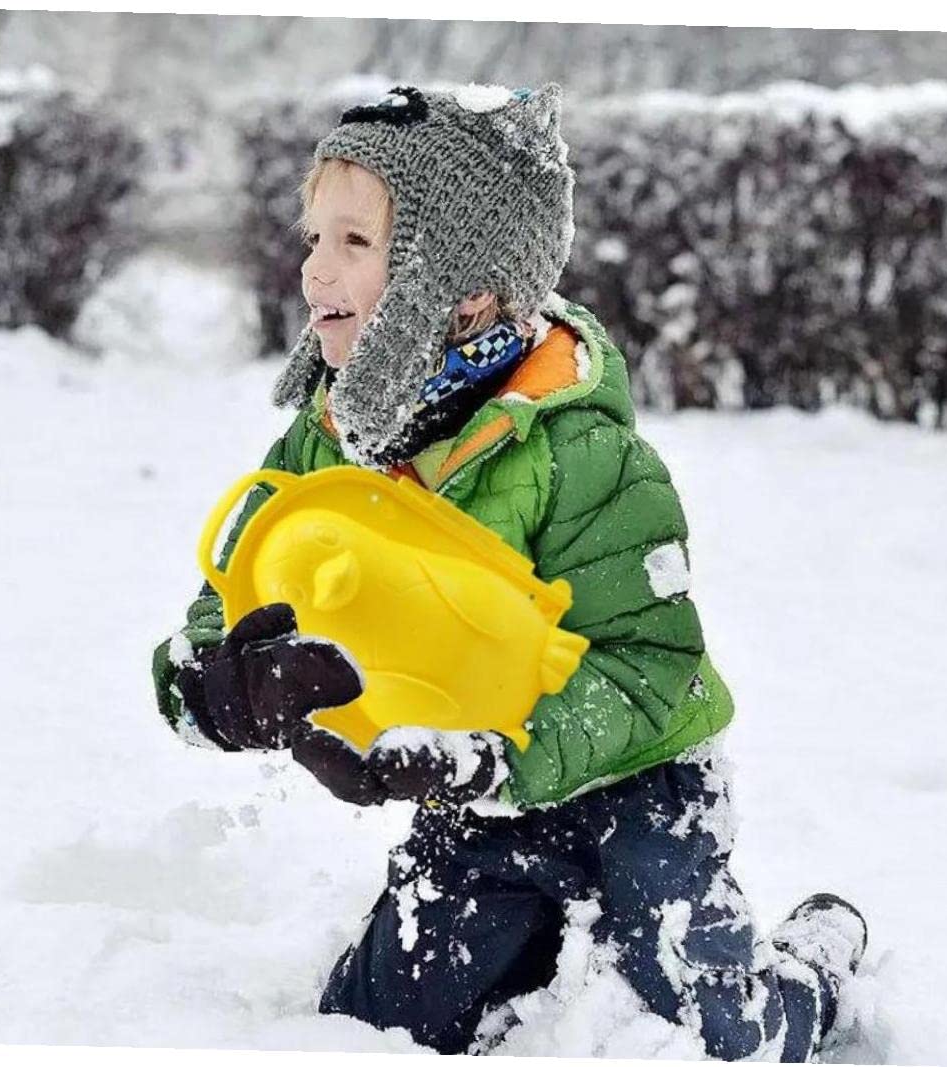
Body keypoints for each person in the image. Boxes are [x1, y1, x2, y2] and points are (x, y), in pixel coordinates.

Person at [151, 82, 867, 1060]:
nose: (314, 267)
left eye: (355, 243)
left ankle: (815, 960)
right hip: (475, 795)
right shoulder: (336, 431)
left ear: (468, 286)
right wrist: (215, 684)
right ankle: (517, 933)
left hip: (638, 780)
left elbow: (648, 667)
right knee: (374, 1027)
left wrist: (500, 756)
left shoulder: (583, 454)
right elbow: (238, 585)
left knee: (717, 1025)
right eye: (314, 236)